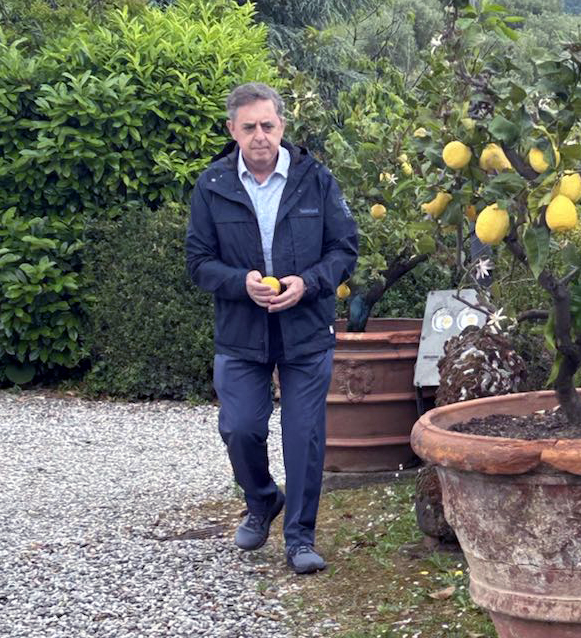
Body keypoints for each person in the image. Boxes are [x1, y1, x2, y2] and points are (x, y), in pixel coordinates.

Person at [186, 82, 358, 574]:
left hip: (305, 330)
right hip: (240, 332)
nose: (260, 136)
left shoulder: (316, 180)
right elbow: (198, 263)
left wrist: (307, 283)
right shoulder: (212, 185)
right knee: (239, 429)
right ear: (232, 131)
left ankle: (300, 538)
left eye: (268, 125)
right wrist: (241, 282)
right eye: (249, 127)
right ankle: (262, 501)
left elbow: (344, 250)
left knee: (303, 436)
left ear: (282, 126)